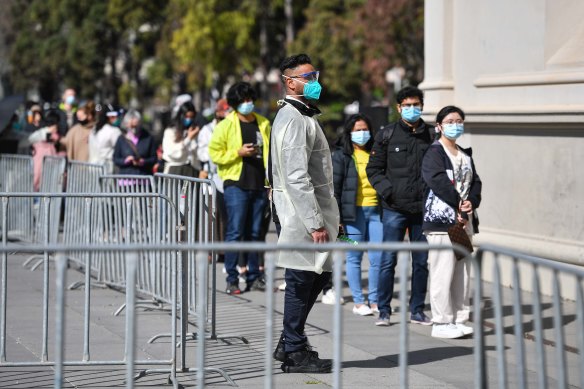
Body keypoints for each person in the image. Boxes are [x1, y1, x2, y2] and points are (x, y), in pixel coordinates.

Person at [270, 53, 339, 374]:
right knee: (302, 278)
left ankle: (290, 340)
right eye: (307, 77)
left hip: (312, 212)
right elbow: (297, 175)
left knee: (319, 273)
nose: (314, 82)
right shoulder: (294, 119)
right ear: (290, 82)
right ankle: (294, 348)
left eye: (315, 75)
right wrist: (314, 222)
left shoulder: (300, 115)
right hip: (302, 215)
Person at [366, 85, 435, 327]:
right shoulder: (386, 135)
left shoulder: (432, 135)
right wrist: (388, 192)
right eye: (407, 106)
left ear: (422, 106)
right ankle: (383, 310)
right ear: (398, 108)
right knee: (388, 260)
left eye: (416, 105)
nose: (412, 109)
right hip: (394, 208)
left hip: (423, 210)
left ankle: (417, 309)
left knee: (421, 262)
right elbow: (373, 170)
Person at [422, 105, 482, 339]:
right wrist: (458, 202)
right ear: (439, 126)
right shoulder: (434, 153)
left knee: (462, 272)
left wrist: (471, 203)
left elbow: (475, 182)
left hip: (464, 223)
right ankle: (441, 321)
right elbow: (436, 181)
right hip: (441, 223)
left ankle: (459, 317)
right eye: (449, 121)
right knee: (442, 271)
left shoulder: (465, 154)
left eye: (458, 120)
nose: (455, 124)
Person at [208, 82, 270, 294]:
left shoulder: (263, 123)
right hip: (236, 184)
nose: (248, 103)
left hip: (259, 184)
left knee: (255, 233)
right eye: (243, 100)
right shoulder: (225, 125)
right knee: (235, 231)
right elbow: (215, 154)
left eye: (250, 99)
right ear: (235, 104)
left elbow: (271, 155)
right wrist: (238, 153)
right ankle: (232, 278)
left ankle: (255, 276)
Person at [332, 113, 382, 316]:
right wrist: (338, 219)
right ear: (349, 132)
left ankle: (375, 300)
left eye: (365, 129)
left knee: (378, 256)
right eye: (357, 130)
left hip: (376, 212)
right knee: (354, 256)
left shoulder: (377, 152)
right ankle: (359, 302)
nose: (362, 133)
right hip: (352, 215)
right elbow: (335, 188)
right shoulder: (342, 155)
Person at [197, 99, 231, 260]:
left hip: (228, 175)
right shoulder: (207, 130)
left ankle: (224, 251)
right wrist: (217, 153)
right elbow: (202, 153)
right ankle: (209, 250)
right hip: (212, 175)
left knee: (227, 215)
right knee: (210, 213)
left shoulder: (231, 127)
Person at [112, 110, 157, 175]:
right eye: (132, 126)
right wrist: (125, 161)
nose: (134, 129)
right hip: (125, 179)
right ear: (127, 124)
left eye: (136, 126)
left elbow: (154, 158)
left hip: (143, 179)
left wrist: (143, 161)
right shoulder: (121, 138)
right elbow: (115, 159)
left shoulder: (148, 138)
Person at [162, 101, 200, 177]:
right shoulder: (170, 131)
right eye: (187, 117)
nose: (189, 120)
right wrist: (188, 138)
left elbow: (197, 153)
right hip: (175, 169)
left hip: (191, 169)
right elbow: (171, 152)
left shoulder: (194, 131)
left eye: (191, 117)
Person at [28, 109, 61, 191]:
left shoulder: (55, 135)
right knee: (37, 178)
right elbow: (30, 139)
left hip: (48, 163)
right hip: (39, 161)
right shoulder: (41, 133)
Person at [89, 104, 123, 174]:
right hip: (108, 168)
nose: (117, 118)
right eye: (113, 117)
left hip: (93, 167)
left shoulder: (94, 129)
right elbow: (122, 149)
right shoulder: (114, 131)